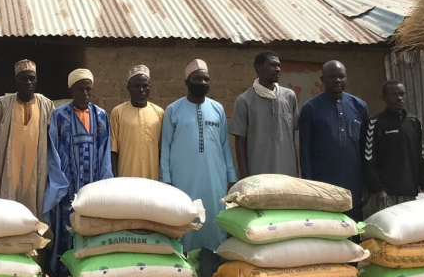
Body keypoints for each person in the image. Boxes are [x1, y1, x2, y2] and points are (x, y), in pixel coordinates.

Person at [160, 59, 236, 253]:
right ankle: (186, 274)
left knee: (213, 222)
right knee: (185, 221)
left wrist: (230, 177)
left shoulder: (217, 109)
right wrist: (166, 179)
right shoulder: (173, 110)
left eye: (205, 79)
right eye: (197, 79)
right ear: (187, 82)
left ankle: (211, 275)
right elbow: (166, 147)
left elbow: (225, 146)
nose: (202, 83)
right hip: (182, 179)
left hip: (214, 178)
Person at [45, 68, 112, 277]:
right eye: (80, 89)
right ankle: (62, 273)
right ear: (71, 90)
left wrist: (104, 182)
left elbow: (104, 151)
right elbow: (53, 150)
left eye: (88, 89)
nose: (84, 93)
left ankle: (87, 272)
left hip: (92, 182)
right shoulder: (59, 115)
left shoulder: (100, 116)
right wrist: (59, 181)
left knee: (90, 226)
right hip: (67, 183)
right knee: (66, 226)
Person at [300, 60, 368, 222]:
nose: (337, 80)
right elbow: (305, 149)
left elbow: (366, 149)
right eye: (332, 77)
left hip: (353, 180)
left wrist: (366, 184)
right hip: (323, 181)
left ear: (346, 78)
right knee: (327, 225)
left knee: (354, 226)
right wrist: (309, 185)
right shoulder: (310, 108)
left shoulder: (359, 106)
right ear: (322, 80)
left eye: (341, 76)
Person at [0, 59, 56, 219]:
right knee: (8, 204)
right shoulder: (3, 105)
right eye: (23, 78)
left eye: (32, 78)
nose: (28, 82)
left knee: (34, 204)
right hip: (9, 166)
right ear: (16, 81)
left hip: (36, 165)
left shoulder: (46, 105)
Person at [361, 81, 424, 217]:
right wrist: (379, 189)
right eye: (393, 94)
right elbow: (369, 159)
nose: (399, 98)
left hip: (410, 191)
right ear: (384, 98)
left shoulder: (414, 121)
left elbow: (420, 155)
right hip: (386, 194)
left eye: (402, 94)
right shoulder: (376, 123)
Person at [231, 51, 300, 179]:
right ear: (258, 68)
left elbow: (292, 137)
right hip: (257, 175)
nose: (278, 69)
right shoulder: (245, 100)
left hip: (287, 173)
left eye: (279, 65)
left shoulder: (289, 97)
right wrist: (244, 177)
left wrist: (296, 170)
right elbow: (240, 142)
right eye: (273, 65)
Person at [109, 65, 165, 179]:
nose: (141, 90)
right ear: (128, 88)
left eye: (145, 86)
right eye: (136, 86)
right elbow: (113, 150)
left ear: (150, 87)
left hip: (152, 178)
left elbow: (162, 150)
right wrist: (114, 177)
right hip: (125, 176)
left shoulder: (159, 113)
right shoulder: (118, 112)